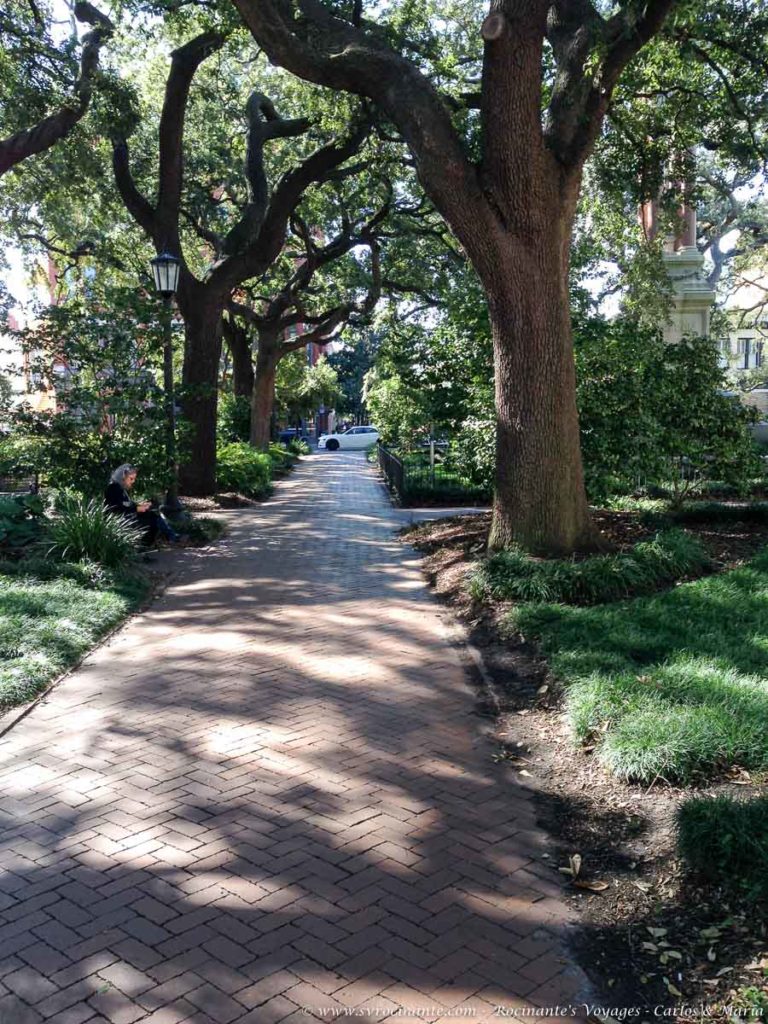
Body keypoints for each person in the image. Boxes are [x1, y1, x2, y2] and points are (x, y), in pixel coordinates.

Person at [105, 464, 179, 545]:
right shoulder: (113, 488)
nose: (133, 481)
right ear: (123, 477)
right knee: (152, 518)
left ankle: (170, 536)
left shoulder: (120, 488)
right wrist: (137, 509)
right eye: (131, 479)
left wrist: (139, 505)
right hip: (120, 521)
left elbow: (127, 504)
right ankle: (170, 537)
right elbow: (117, 508)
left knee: (152, 514)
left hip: (127, 517)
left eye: (134, 479)